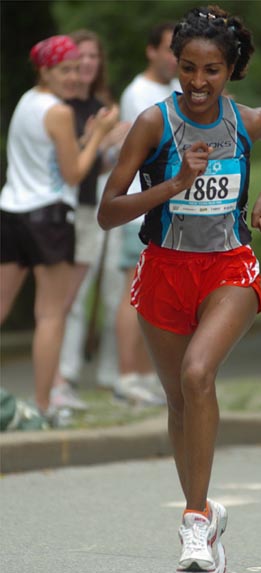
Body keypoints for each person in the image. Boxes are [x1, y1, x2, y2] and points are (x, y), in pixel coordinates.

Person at [98, 5, 261, 573]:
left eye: (211, 69)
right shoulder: (152, 124)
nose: (198, 82)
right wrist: (173, 185)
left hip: (228, 268)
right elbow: (109, 210)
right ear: (173, 65)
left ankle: (192, 521)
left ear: (231, 69)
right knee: (179, 403)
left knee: (197, 374)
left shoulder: (247, 120)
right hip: (163, 269)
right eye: (187, 68)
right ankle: (209, 515)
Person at [0, 35, 118, 423]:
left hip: (11, 212)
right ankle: (44, 406)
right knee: (51, 315)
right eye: (63, 70)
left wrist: (88, 137)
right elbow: (74, 172)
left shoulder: (27, 102)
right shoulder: (61, 112)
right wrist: (100, 136)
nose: (72, 77)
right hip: (50, 218)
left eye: (74, 69)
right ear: (44, 69)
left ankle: (42, 403)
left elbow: (56, 155)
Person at [51, 30, 129, 411]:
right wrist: (100, 138)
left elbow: (101, 165)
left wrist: (118, 144)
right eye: (80, 56)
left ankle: (113, 375)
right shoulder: (58, 107)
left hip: (105, 206)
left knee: (117, 291)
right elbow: (68, 166)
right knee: (73, 298)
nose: (87, 63)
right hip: (70, 210)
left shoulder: (102, 104)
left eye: (94, 56)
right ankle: (62, 377)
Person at [114, 22, 180, 405]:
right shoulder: (138, 93)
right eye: (169, 49)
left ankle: (144, 373)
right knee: (131, 295)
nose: (174, 57)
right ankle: (127, 375)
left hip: (167, 210)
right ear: (151, 51)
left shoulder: (173, 90)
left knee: (154, 297)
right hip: (141, 212)